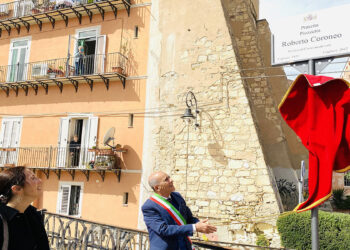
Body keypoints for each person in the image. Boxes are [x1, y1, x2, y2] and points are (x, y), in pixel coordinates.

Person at [142, 171, 217, 250]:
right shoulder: (149, 206)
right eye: (166, 179)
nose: (171, 180)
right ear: (157, 188)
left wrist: (200, 224)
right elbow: (163, 229)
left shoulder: (177, 196)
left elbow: (188, 218)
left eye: (169, 177)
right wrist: (194, 227)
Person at [0, 166, 50, 250]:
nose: (40, 180)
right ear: (17, 189)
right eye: (33, 178)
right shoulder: (2, 219)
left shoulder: (34, 216)